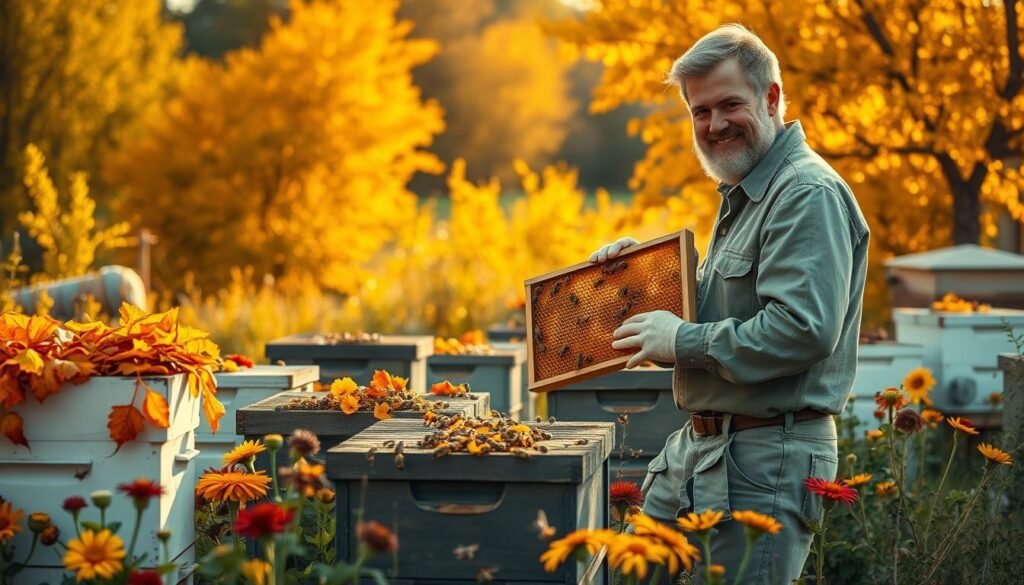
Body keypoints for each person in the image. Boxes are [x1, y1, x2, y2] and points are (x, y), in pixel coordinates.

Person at [589, 24, 869, 584]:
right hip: (703, 447)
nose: (714, 125)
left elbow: (803, 329)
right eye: (699, 111)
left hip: (768, 459)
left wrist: (681, 341)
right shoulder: (746, 191)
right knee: (626, 574)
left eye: (729, 105)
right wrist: (637, 281)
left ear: (770, 98)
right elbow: (726, 302)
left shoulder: (804, 192)